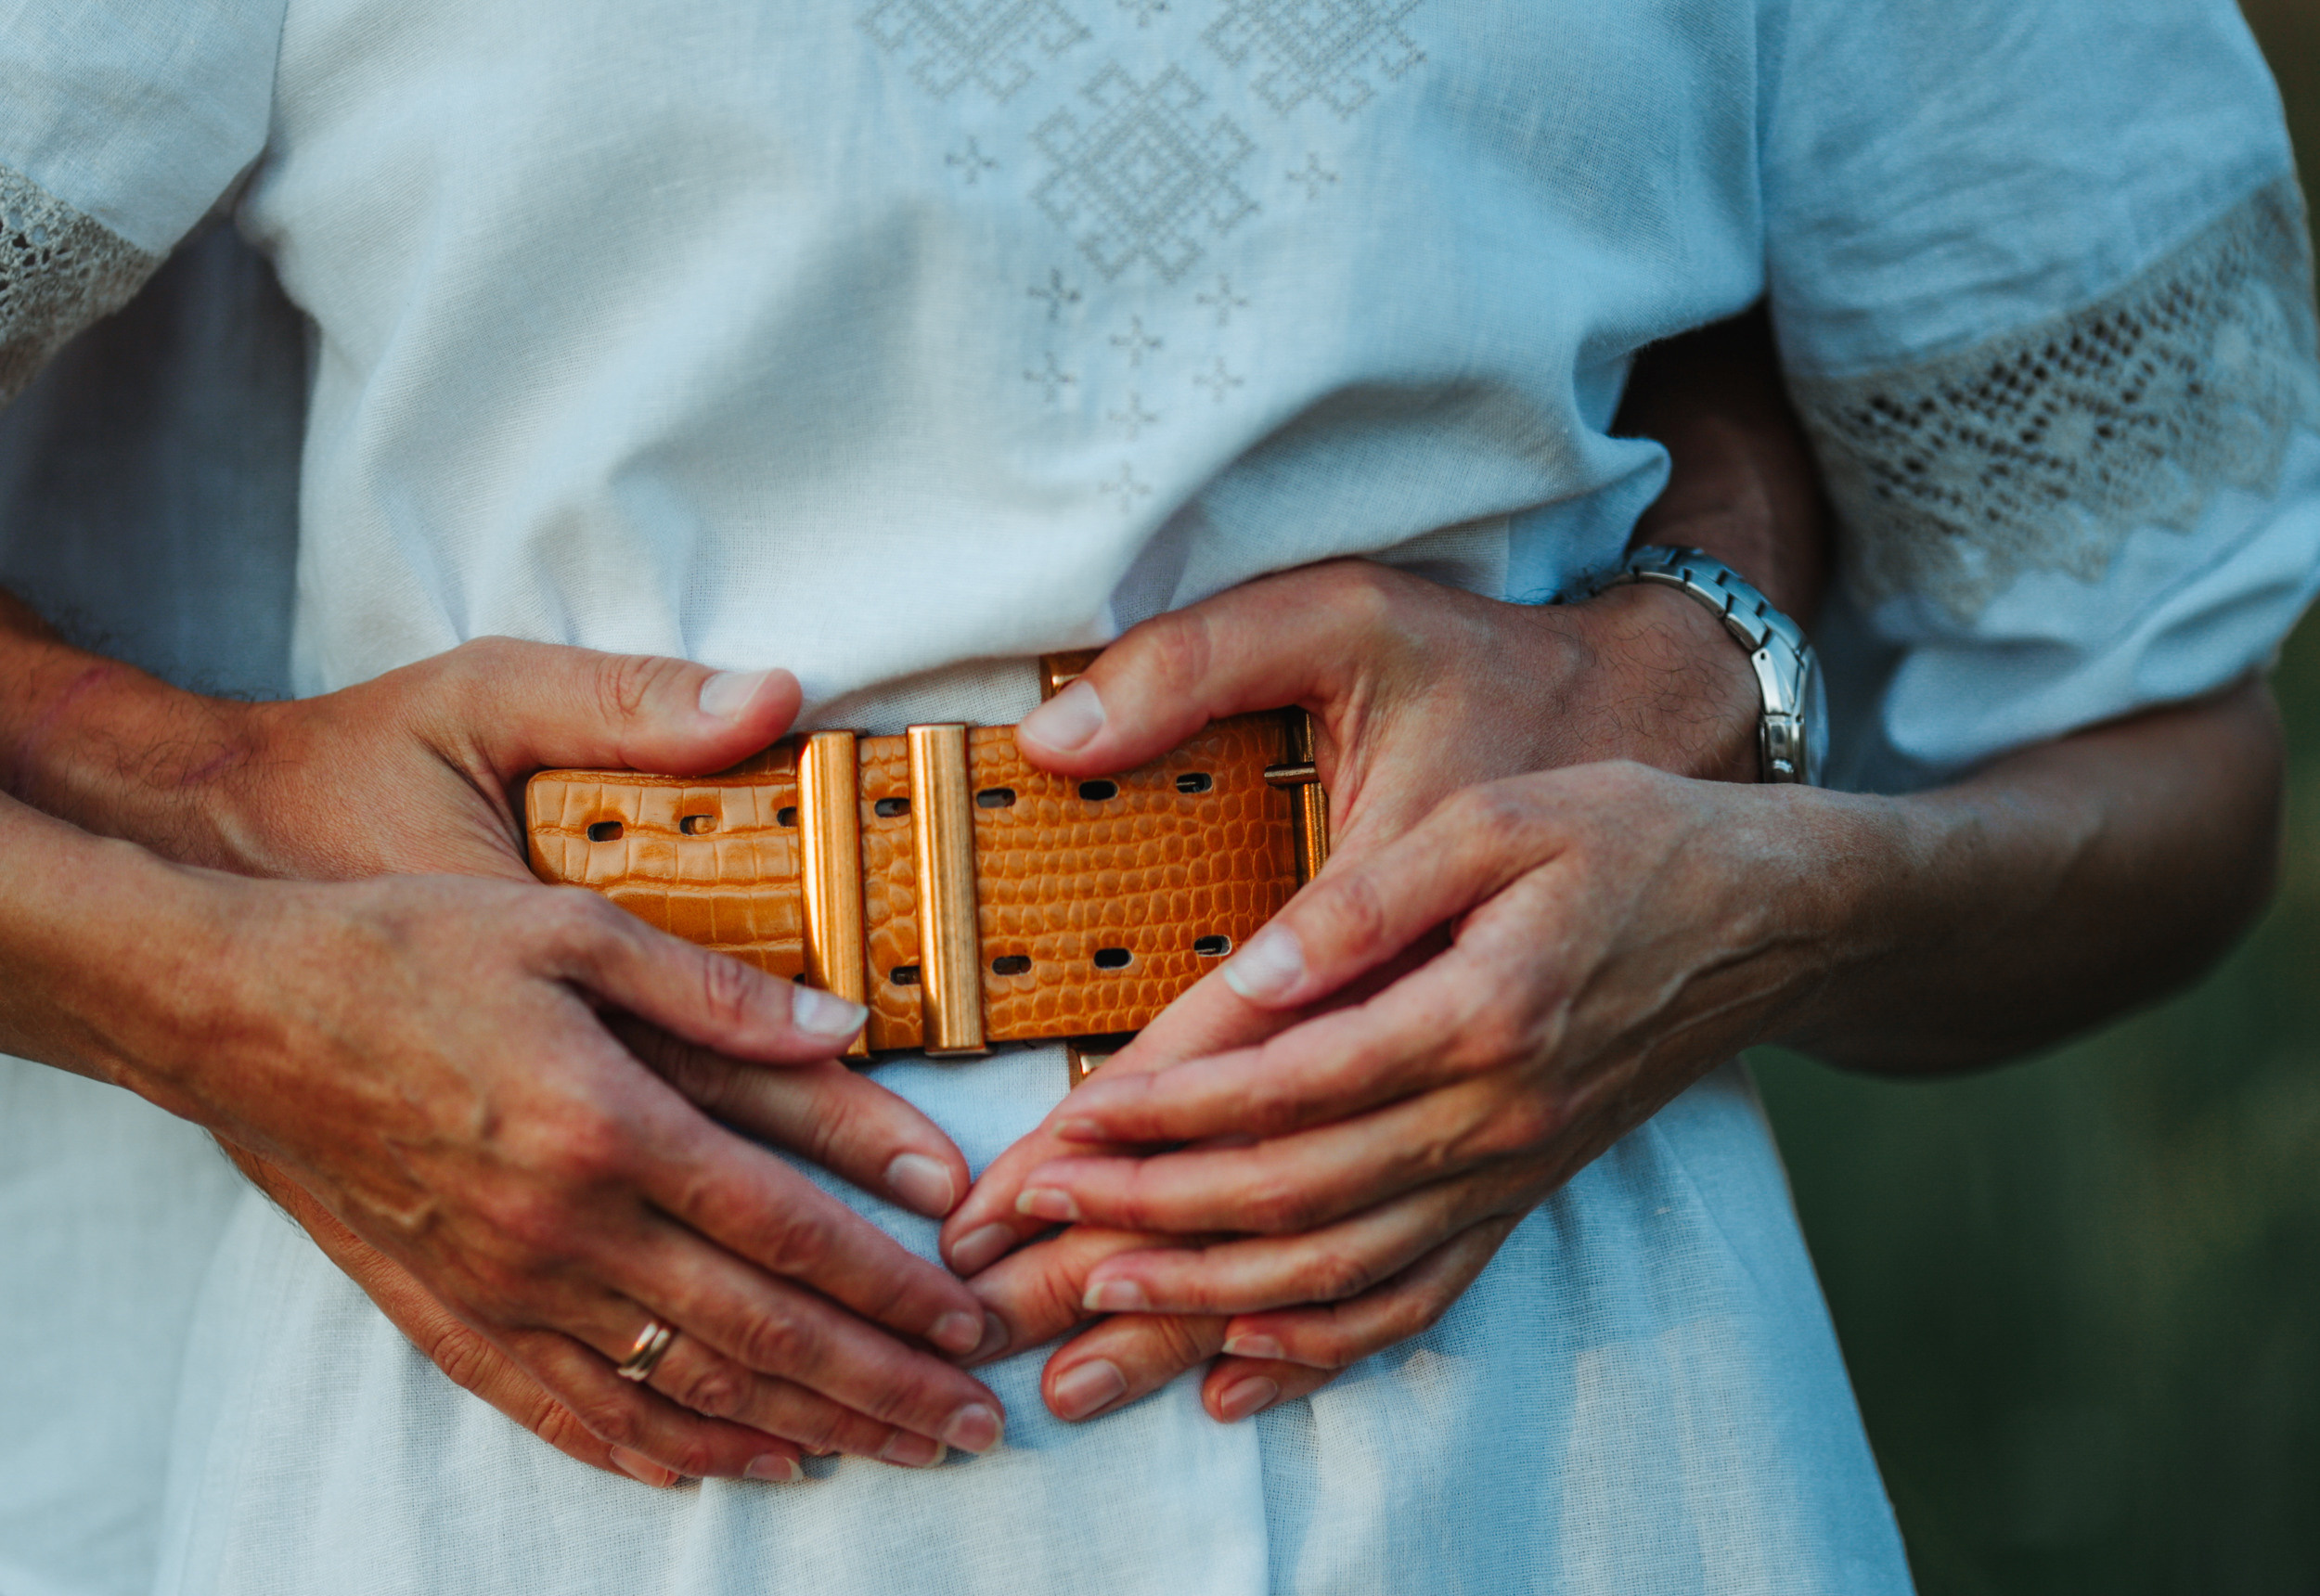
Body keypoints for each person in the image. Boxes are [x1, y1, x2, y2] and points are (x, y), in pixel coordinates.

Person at [1, 0, 2314, 1591]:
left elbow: (2168, 757)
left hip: (1549, 1420)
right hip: (565, 1382)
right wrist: (215, 955)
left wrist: (1771, 890)